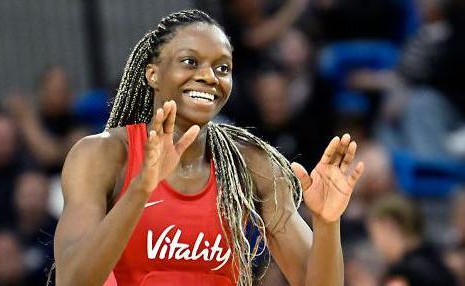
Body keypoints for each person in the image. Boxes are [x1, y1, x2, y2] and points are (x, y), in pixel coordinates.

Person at [54, 10, 364, 286]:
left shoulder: (249, 162)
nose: (209, 77)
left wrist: (326, 223)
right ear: (153, 73)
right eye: (190, 61)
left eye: (223, 68)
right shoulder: (102, 155)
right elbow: (73, 280)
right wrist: (141, 189)